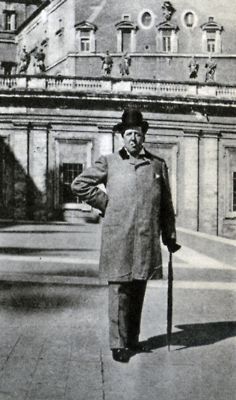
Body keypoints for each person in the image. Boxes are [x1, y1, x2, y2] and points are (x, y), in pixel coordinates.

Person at [71, 108, 180, 363]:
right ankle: (117, 344)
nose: (134, 139)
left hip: (144, 237)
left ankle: (132, 339)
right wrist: (105, 203)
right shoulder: (109, 162)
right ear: (122, 136)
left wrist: (170, 237)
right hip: (118, 237)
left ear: (144, 137)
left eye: (138, 134)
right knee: (119, 289)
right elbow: (80, 184)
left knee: (138, 287)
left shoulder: (157, 165)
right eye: (129, 133)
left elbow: (166, 205)